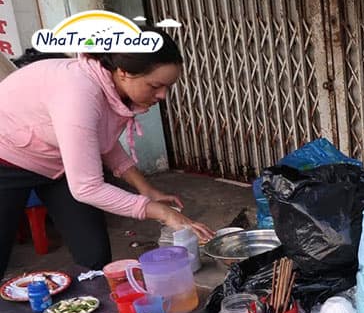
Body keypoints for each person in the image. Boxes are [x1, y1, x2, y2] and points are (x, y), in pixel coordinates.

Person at [0, 28, 214, 278]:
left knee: (94, 254)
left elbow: (103, 142)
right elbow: (87, 188)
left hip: (57, 161)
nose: (162, 95)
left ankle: (91, 311)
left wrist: (145, 188)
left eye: (168, 87)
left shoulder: (110, 87)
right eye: (155, 86)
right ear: (123, 73)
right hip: (7, 157)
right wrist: (162, 213)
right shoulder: (78, 95)